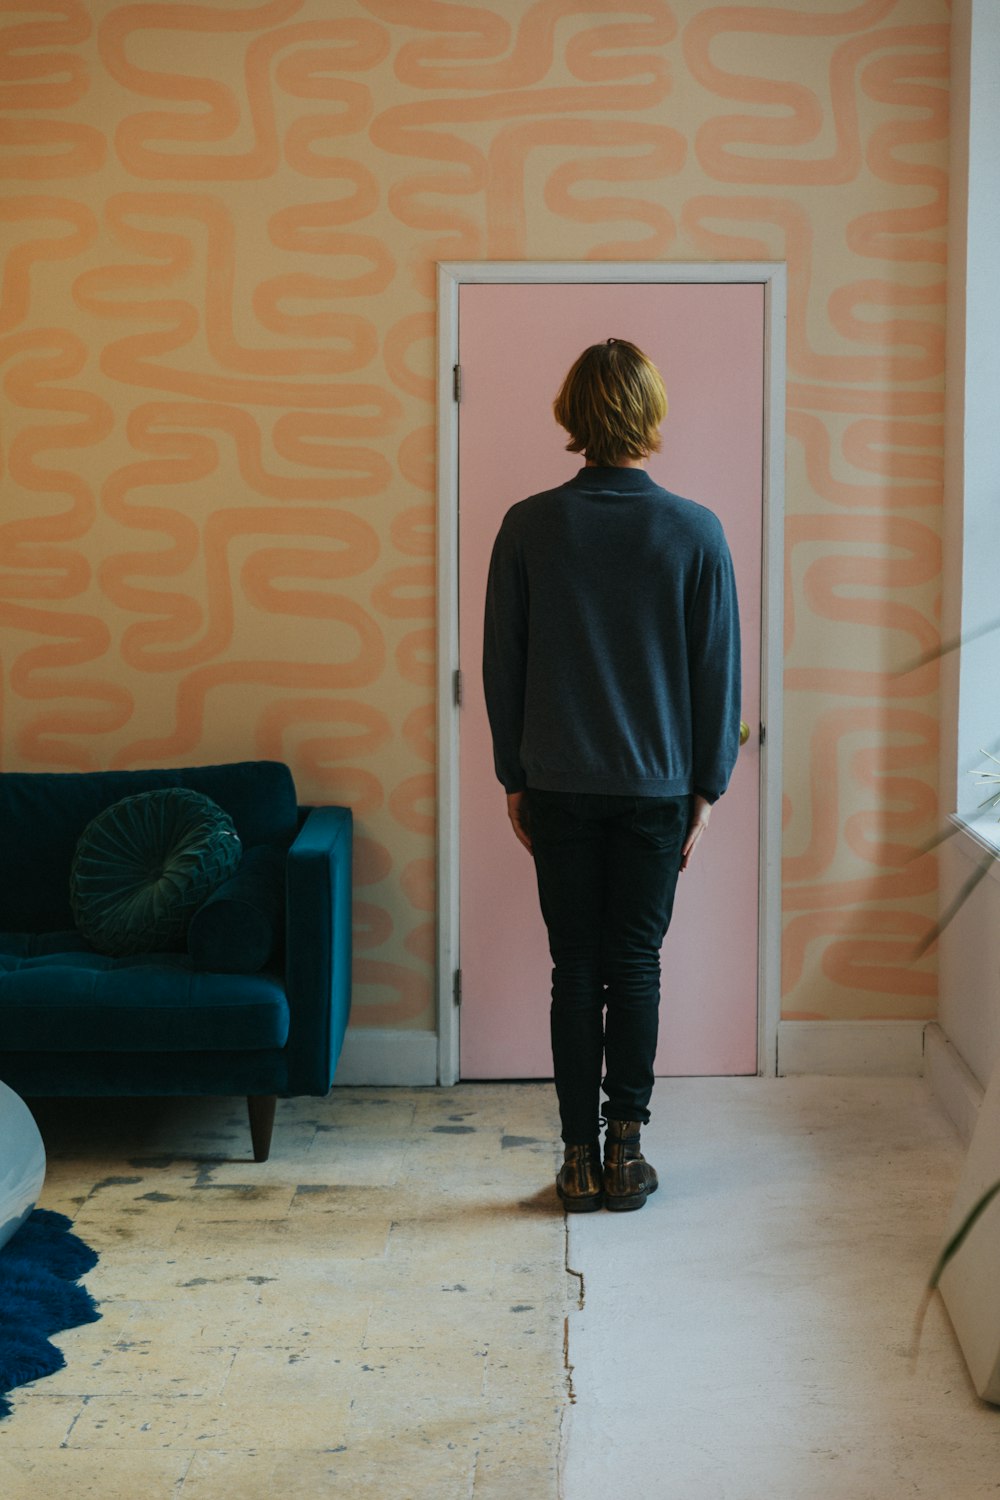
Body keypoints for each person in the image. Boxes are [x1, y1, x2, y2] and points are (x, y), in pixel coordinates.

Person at [482, 337, 741, 1213]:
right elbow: (718, 672)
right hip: (656, 790)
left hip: (556, 782)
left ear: (574, 416)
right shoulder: (695, 531)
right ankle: (627, 1154)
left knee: (575, 968)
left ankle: (575, 1159)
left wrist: (512, 774)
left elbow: (502, 664)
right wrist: (707, 786)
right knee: (635, 965)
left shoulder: (527, 525)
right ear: (650, 415)